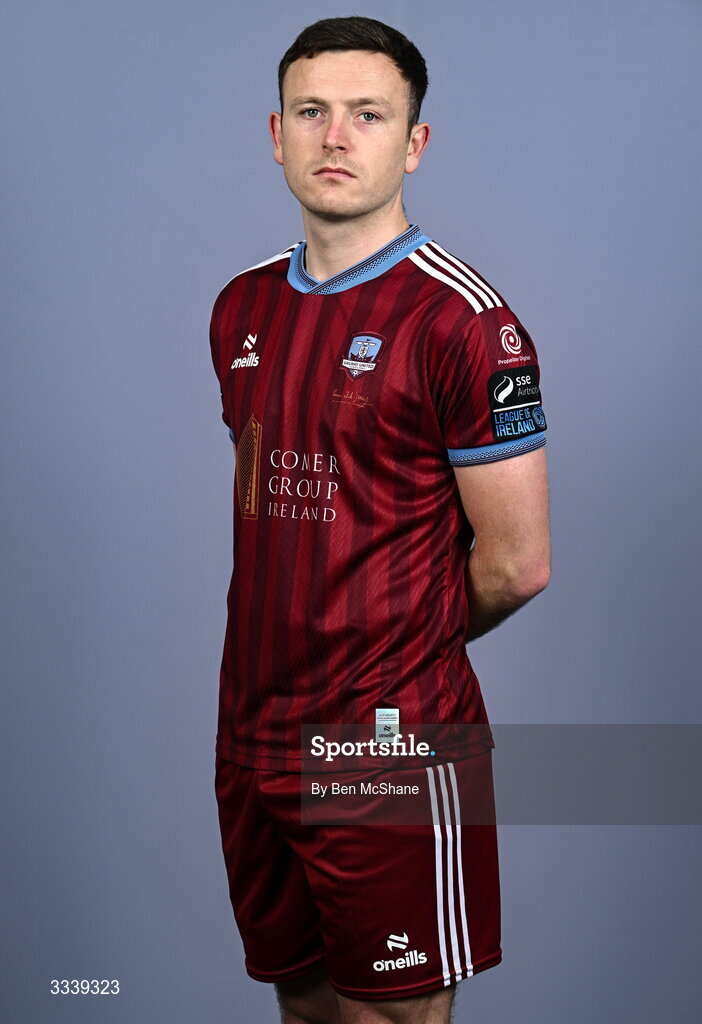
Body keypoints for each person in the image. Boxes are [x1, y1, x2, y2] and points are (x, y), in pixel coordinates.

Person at [209, 16, 551, 1024]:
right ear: (277, 133)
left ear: (414, 143)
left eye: (368, 114)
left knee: (394, 1017)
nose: (336, 137)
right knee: (305, 1003)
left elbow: (519, 564)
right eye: (312, 112)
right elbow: (283, 509)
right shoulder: (241, 306)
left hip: (387, 741)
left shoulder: (464, 324)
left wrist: (389, 649)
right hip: (251, 731)